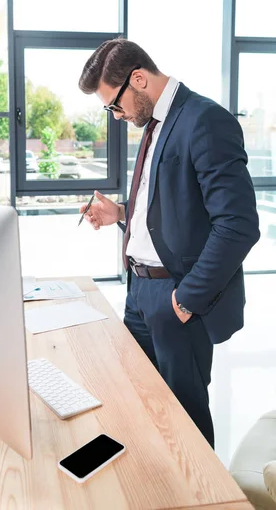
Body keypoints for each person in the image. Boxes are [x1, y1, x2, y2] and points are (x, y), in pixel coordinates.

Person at [78, 39, 260, 448]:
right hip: (140, 291)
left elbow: (238, 224)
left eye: (114, 105)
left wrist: (184, 300)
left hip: (175, 298)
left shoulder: (204, 120)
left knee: (185, 424)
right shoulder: (155, 124)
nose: (117, 115)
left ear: (138, 79)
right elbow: (172, 205)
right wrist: (121, 214)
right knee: (140, 406)